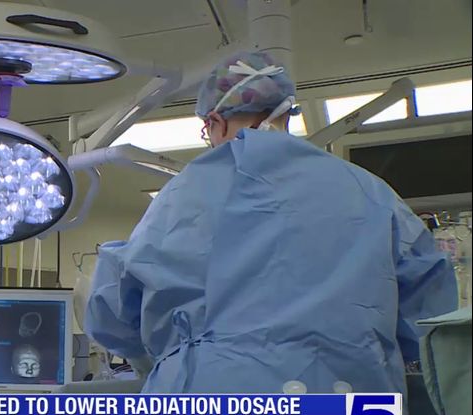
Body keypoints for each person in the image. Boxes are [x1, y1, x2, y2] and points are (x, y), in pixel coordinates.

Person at [85, 51, 458, 395]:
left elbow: (112, 311)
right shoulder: (370, 192)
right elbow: (429, 313)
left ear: (214, 122)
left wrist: (165, 358)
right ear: (286, 114)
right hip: (348, 400)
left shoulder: (180, 197)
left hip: (209, 401)